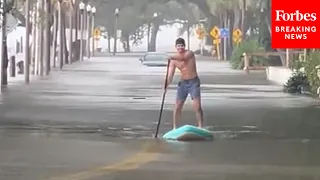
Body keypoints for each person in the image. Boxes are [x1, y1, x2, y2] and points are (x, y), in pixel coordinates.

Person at [165, 37, 204, 129]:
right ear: (176, 47)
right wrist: (166, 83)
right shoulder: (173, 60)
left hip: (193, 82)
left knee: (197, 106)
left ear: (184, 46)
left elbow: (183, 57)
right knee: (178, 106)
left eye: (182, 46)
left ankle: (201, 126)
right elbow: (170, 74)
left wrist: (169, 56)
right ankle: (175, 127)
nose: (180, 48)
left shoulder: (189, 53)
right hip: (183, 83)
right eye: (178, 46)